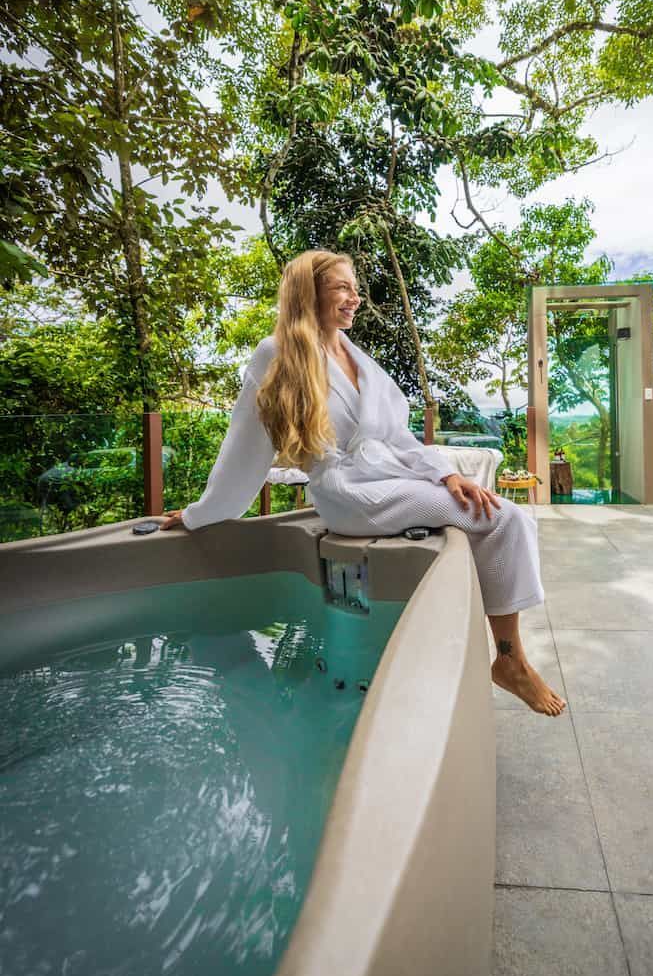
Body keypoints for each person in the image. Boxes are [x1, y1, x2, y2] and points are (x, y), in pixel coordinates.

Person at [160, 249, 566, 717]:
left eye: (355, 288)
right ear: (308, 293)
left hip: (384, 475)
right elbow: (243, 452)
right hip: (348, 494)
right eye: (342, 288)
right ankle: (510, 663)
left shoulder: (355, 356)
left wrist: (447, 474)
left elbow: (395, 436)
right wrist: (200, 514)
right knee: (503, 517)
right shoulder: (276, 354)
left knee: (500, 514)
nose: (355, 298)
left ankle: (505, 658)